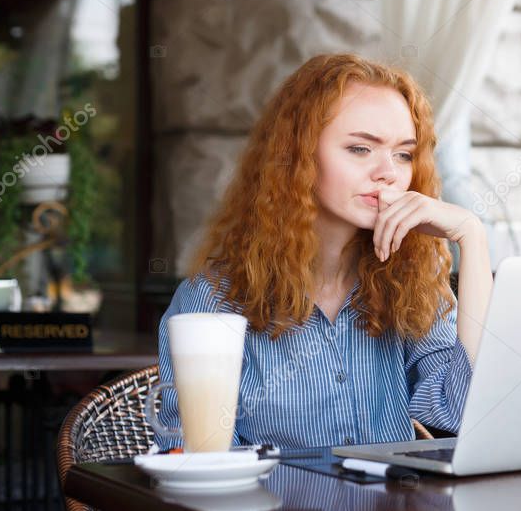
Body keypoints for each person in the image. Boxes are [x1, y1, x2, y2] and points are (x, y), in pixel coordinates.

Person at [154, 52, 492, 451]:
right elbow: (197, 458)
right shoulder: (213, 301)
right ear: (300, 157)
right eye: (360, 149)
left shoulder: (410, 283)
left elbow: (466, 413)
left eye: (403, 153)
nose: (389, 172)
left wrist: (471, 236)